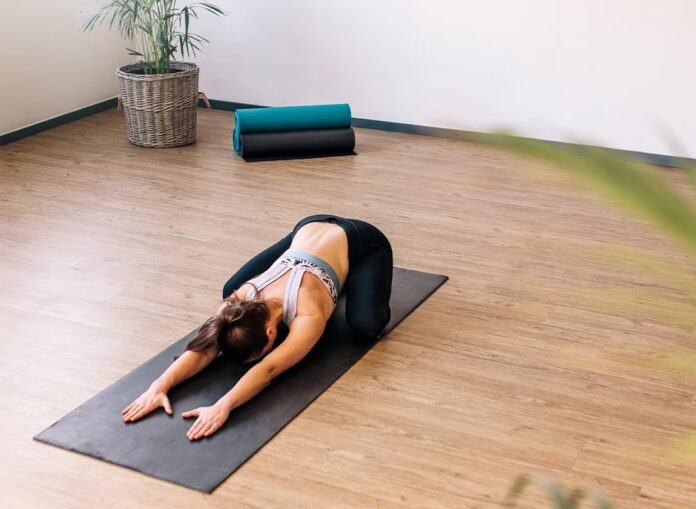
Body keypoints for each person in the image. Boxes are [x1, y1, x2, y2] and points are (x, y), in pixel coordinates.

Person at [121, 213, 393, 440]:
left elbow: (268, 369)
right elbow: (204, 347)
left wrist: (223, 406)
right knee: (229, 287)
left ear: (271, 332)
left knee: (367, 325)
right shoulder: (236, 301)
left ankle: (351, 271)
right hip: (307, 227)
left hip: (359, 238)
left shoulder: (308, 313)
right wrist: (158, 387)